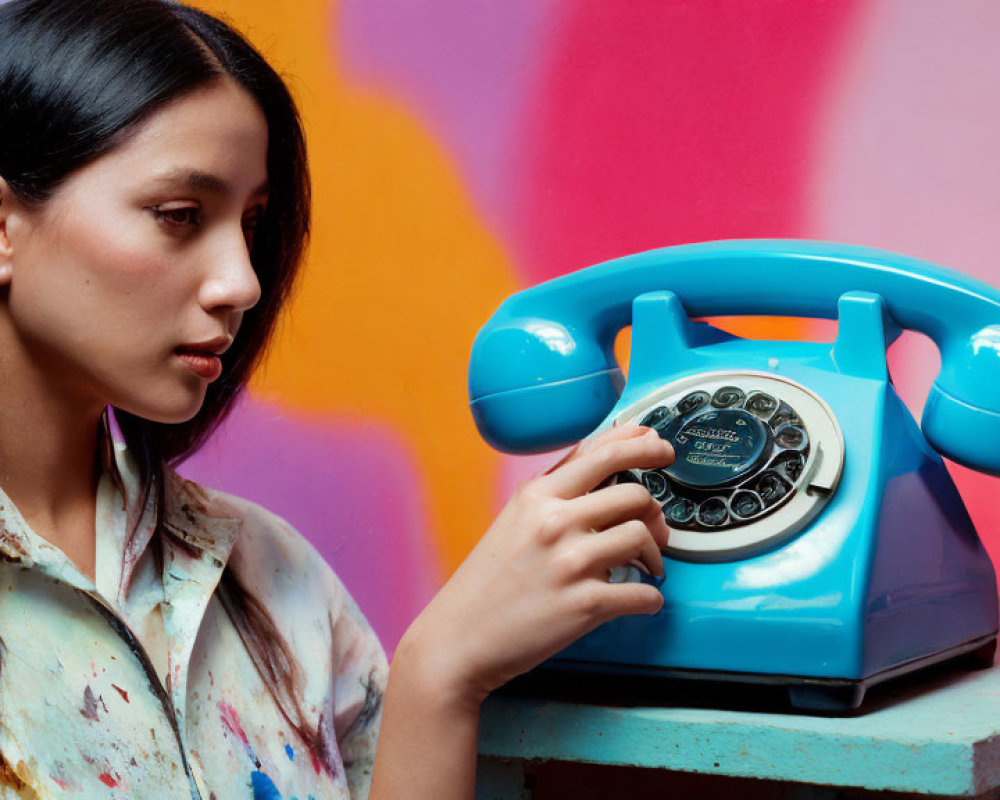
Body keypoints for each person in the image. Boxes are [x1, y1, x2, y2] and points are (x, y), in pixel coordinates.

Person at [0, 1, 673, 798]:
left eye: (252, 224)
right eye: (180, 215)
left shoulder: (269, 573)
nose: (244, 284)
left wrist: (440, 674)